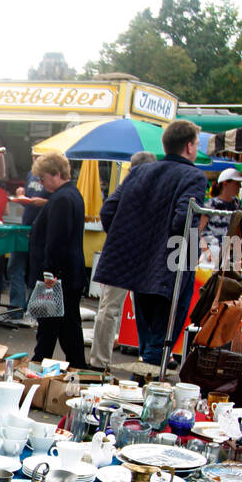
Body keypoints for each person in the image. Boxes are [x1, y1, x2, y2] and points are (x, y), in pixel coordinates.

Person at [94, 119, 207, 366]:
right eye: (196, 144)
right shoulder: (194, 176)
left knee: (148, 336)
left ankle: (144, 376)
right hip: (173, 264)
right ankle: (149, 386)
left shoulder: (139, 171)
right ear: (189, 146)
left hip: (139, 262)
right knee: (161, 337)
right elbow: (183, 220)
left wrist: (129, 239)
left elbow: (108, 211)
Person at [89, 151, 157, 369]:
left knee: (109, 309)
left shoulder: (126, 185)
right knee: (146, 311)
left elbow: (107, 211)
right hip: (145, 255)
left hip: (120, 253)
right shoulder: (157, 188)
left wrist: (118, 234)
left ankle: (99, 361)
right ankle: (147, 357)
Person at [27, 152, 87, 365]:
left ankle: (41, 365)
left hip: (57, 278)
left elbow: (56, 240)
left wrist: (48, 274)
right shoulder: (71, 194)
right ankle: (75, 367)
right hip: (66, 275)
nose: (41, 184)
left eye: (42, 178)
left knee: (52, 327)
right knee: (64, 327)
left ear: (56, 174)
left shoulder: (62, 198)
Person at [4, 160, 52, 327]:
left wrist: (43, 202)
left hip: (41, 230)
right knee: (14, 266)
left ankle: (32, 312)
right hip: (24, 227)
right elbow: (28, 192)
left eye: (39, 156)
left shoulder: (51, 177)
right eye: (33, 155)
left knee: (36, 272)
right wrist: (21, 192)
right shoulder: (31, 174)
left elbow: (58, 201)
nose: (35, 159)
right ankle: (16, 309)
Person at [199, 167, 242, 262]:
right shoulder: (211, 204)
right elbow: (197, 230)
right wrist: (207, 251)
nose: (240, 187)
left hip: (230, 253)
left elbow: (239, 230)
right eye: (237, 183)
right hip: (212, 252)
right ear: (225, 183)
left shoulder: (237, 204)